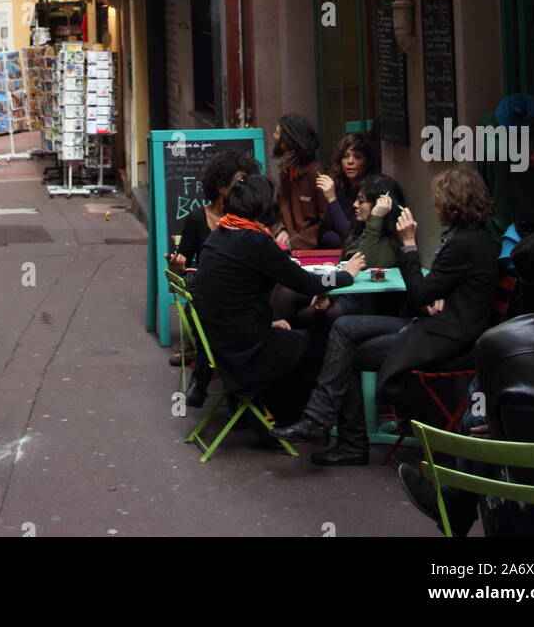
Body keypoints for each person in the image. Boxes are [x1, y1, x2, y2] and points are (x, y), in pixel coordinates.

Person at [271, 167, 499, 466]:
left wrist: (409, 246)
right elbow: (431, 292)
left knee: (345, 347)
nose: (436, 206)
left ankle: (341, 434)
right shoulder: (468, 239)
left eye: (440, 200)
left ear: (455, 204)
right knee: (343, 327)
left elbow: (419, 295)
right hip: (436, 326)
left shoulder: (463, 244)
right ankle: (323, 421)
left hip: (445, 340)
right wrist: (434, 292)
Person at [398, 228, 534, 537]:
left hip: (533, 506)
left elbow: (482, 419)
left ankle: (456, 503)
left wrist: (499, 425)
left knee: (480, 409)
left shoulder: (501, 344)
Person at [192, 174, 366, 430]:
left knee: (297, 335)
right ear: (262, 207)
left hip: (222, 344)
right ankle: (306, 424)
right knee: (330, 350)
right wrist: (345, 275)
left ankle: (267, 414)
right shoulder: (254, 241)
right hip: (246, 353)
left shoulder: (221, 234)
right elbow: (307, 283)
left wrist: (268, 324)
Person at [168, 148, 257, 401]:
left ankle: (204, 374)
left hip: (241, 289)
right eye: (240, 181)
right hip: (208, 289)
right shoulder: (198, 218)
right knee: (205, 305)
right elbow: (184, 260)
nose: (245, 187)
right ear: (221, 186)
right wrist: (178, 265)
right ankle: (216, 376)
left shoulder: (247, 218)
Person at [271, 174, 405, 329]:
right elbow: (347, 267)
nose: (355, 205)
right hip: (342, 289)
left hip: (360, 301)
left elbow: (361, 261)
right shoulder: (362, 230)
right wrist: (329, 294)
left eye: (361, 201)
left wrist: (375, 218)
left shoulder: (390, 240)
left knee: (302, 317)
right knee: (286, 288)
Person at [271, 114, 330, 250]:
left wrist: (295, 242)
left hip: (311, 251)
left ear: (286, 142)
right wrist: (282, 230)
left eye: (277, 133)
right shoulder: (286, 171)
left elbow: (326, 221)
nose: (274, 136)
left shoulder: (316, 173)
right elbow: (280, 210)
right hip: (289, 247)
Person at [315, 133, 378, 247]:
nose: (350, 161)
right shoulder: (341, 188)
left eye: (357, 157)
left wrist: (332, 199)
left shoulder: (372, 191)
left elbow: (351, 238)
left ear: (367, 162)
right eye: (345, 156)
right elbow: (322, 234)